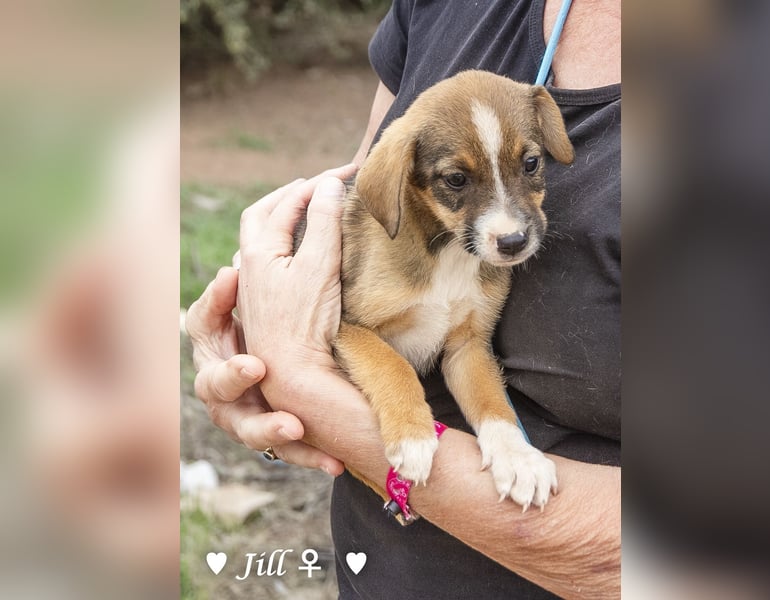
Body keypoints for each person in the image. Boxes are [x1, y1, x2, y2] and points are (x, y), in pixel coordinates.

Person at [186, 1, 620, 597]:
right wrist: (252, 337)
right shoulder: (391, 231)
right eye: (457, 183)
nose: (510, 222)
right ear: (409, 183)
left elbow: (466, 348)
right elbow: (345, 320)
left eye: (529, 166)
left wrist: (503, 443)